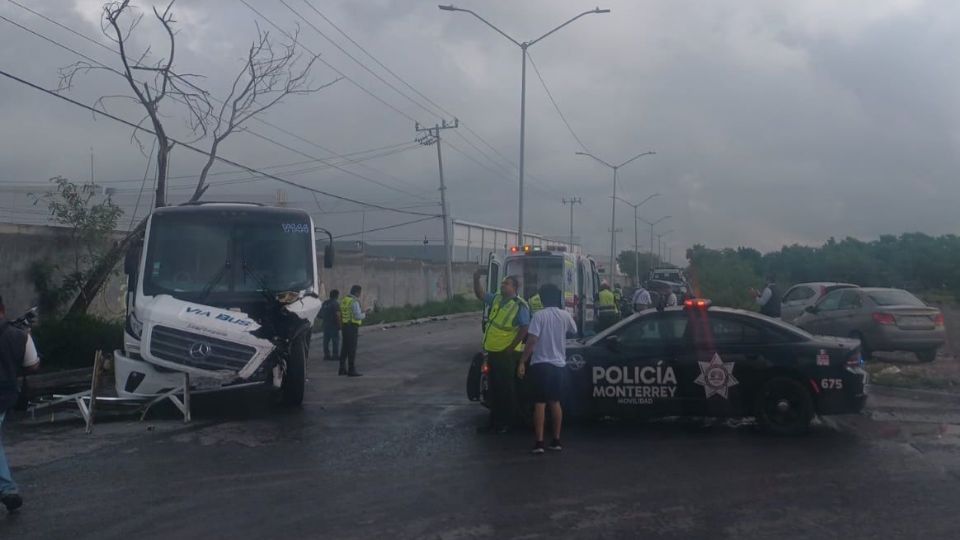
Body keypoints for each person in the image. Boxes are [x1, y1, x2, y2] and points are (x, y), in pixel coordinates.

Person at [518, 284, 576, 454]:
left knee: (540, 404)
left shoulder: (538, 316)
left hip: (541, 365)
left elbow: (532, 341)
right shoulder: (565, 315)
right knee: (555, 402)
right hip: (559, 365)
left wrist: (522, 361)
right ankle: (556, 440)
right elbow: (574, 330)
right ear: (557, 298)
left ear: (542, 299)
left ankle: (539, 443)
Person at [473, 270, 530, 434]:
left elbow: (525, 328)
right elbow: (480, 294)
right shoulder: (497, 298)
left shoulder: (520, 305)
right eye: (502, 283)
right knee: (493, 389)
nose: (502, 285)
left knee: (506, 390)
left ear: (514, 287)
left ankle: (507, 423)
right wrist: (476, 279)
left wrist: (511, 348)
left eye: (506, 283)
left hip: (506, 355)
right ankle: (494, 422)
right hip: (493, 352)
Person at [0, 296, 40, 512]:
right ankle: (7, 489)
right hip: (5, 395)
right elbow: (33, 365)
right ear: (3, 310)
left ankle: (7, 489)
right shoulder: (19, 336)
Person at [339, 285, 370, 377]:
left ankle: (342, 369)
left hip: (345, 326)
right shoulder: (354, 301)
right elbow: (357, 316)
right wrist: (365, 314)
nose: (360, 294)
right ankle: (351, 370)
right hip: (352, 327)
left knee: (344, 348)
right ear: (357, 292)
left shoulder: (344, 300)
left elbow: (345, 312)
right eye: (360, 292)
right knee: (352, 349)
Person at [320, 289, 341, 362]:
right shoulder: (335, 303)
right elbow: (337, 315)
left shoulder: (325, 303)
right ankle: (335, 355)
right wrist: (339, 324)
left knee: (326, 341)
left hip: (325, 325)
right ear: (336, 295)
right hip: (333, 325)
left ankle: (326, 355)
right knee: (335, 340)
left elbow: (320, 315)